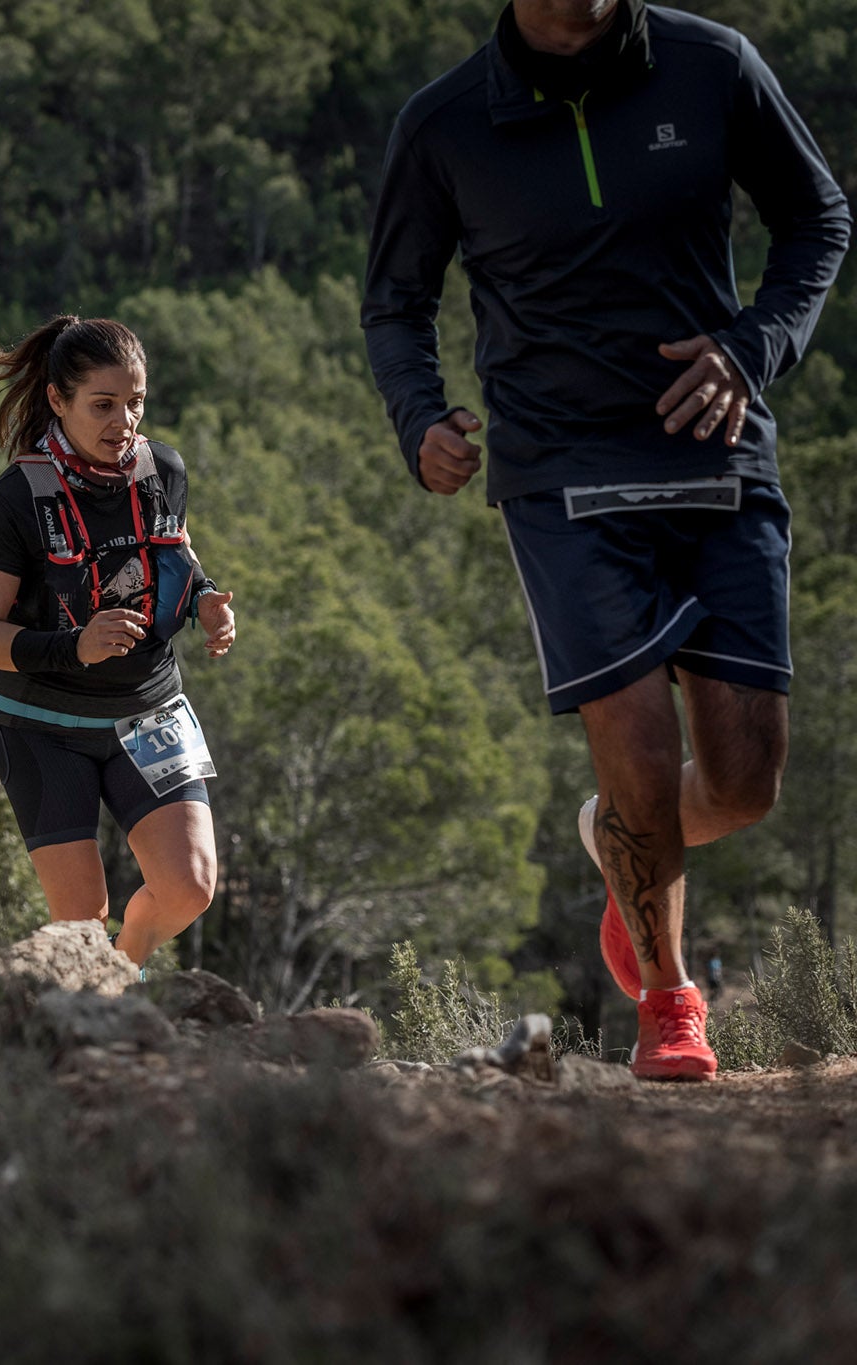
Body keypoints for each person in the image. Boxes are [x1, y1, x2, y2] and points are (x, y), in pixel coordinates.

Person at [362, 0, 849, 1079]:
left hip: (716, 456)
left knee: (741, 784)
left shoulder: (710, 64)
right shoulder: (443, 122)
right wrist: (418, 419)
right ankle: (669, 1003)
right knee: (635, 746)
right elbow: (394, 304)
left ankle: (618, 835)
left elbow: (817, 220)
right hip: (559, 475)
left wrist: (752, 346)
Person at [0, 316, 238, 968]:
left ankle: (125, 967)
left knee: (190, 886)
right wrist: (72, 647)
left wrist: (208, 603)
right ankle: (89, 1006)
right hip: (42, 726)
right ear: (58, 400)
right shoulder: (16, 500)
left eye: (135, 402)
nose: (125, 422)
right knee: (81, 923)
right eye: (104, 405)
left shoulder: (162, 468)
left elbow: (178, 555)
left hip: (150, 711)